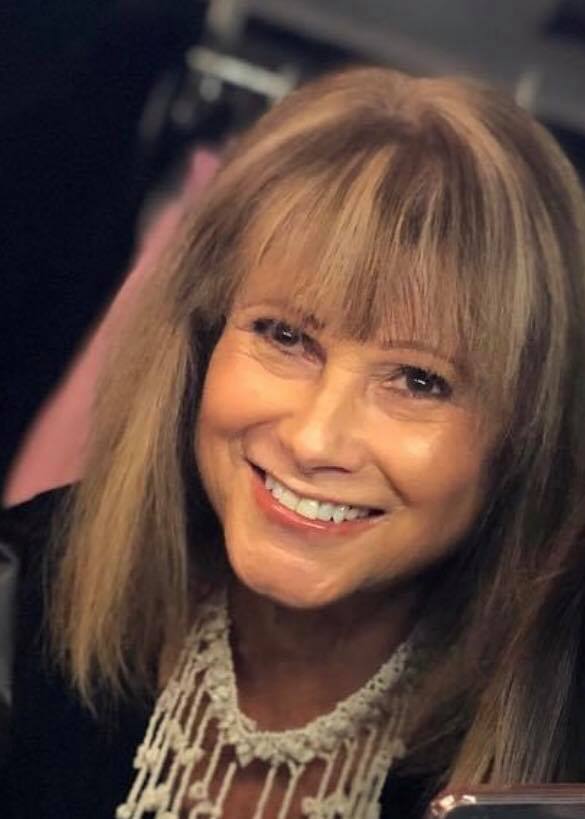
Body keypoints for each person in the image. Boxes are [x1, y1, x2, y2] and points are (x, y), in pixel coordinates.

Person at [2, 65, 585, 819]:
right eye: (284, 336)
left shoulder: (561, 734)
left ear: (526, 438)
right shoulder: (19, 593)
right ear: (202, 341)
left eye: (418, 380)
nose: (315, 438)